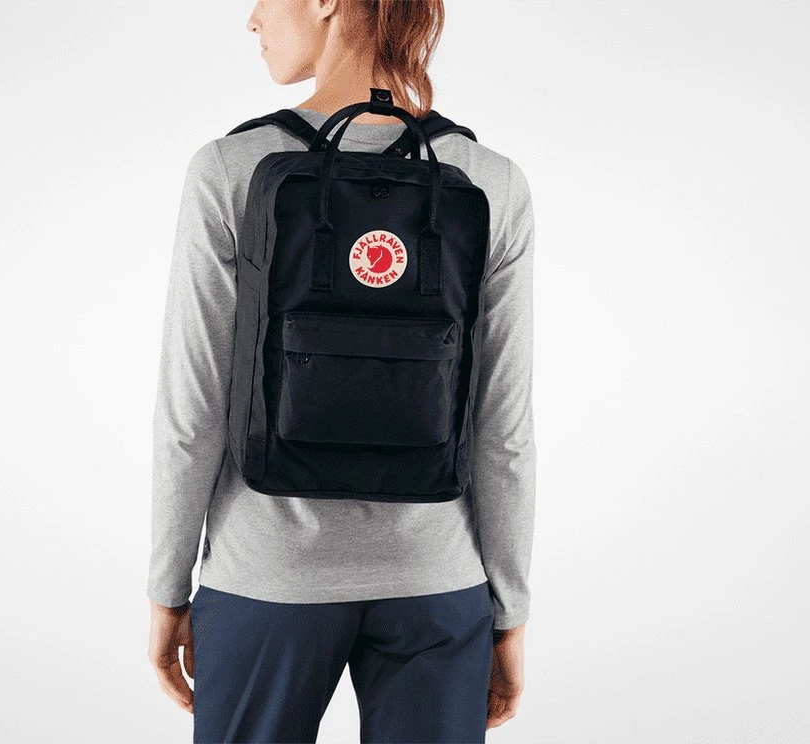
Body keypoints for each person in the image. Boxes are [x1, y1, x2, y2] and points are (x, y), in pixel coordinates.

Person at [147, 1, 536, 741]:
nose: (252, 19)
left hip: (265, 579)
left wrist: (167, 588)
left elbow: (190, 412)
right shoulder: (493, 179)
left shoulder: (230, 169)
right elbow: (504, 430)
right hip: (437, 585)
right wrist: (508, 609)